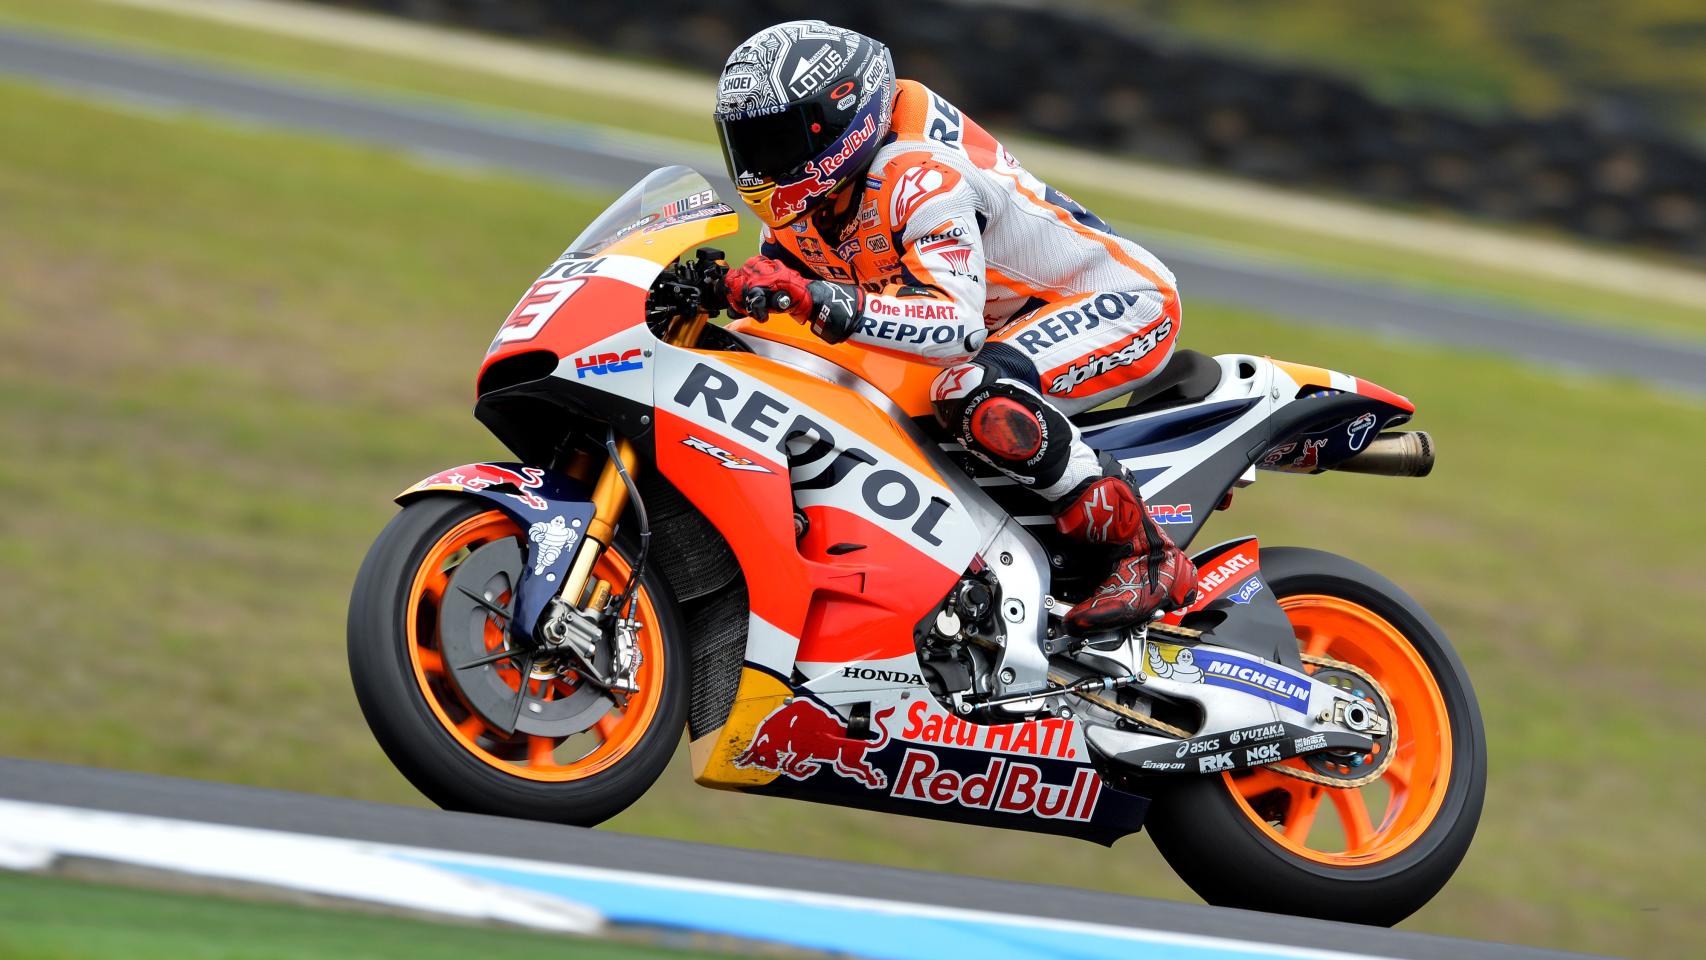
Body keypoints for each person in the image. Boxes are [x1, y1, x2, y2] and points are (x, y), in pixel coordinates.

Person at [713, 20, 1196, 632]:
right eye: (746, 144)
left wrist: (821, 300)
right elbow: (777, 316)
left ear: (837, 118)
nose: (761, 163)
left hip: (1116, 300)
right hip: (1003, 321)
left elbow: (953, 328)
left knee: (972, 391)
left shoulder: (920, 176)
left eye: (776, 140)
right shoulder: (804, 209)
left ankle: (1145, 554)